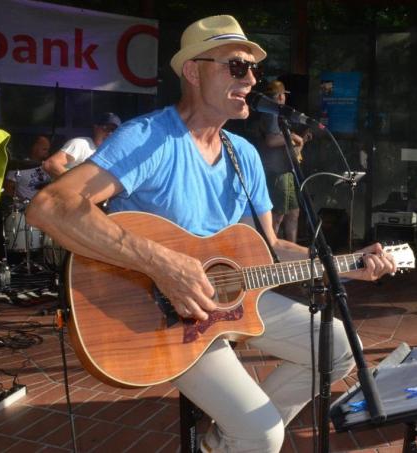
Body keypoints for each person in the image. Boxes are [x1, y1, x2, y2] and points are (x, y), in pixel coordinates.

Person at [27, 15, 396, 453]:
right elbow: (49, 207)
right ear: (193, 71)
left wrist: (346, 267)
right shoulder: (147, 139)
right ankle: (247, 436)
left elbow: (271, 247)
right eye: (237, 66)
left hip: (229, 301)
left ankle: (223, 442)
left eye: (254, 68)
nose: (252, 78)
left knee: (338, 348)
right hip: (157, 314)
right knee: (262, 434)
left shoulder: (244, 155)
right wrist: (162, 264)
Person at [256, 80, 308, 243]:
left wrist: (300, 141)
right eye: (283, 95)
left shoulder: (277, 114)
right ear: (280, 96)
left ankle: (291, 252)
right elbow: (271, 140)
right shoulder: (271, 113)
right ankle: (272, 253)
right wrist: (292, 136)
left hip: (285, 170)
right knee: (277, 215)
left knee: (293, 212)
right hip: (276, 172)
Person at [42, 112, 121, 178]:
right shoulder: (81, 144)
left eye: (114, 130)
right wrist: (76, 184)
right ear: (96, 128)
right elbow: (51, 164)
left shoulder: (113, 155)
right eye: (106, 128)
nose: (110, 133)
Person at [3, 135, 52, 203]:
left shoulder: (48, 165)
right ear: (34, 148)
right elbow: (8, 191)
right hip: (27, 209)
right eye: (44, 149)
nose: (47, 152)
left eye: (48, 149)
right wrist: (23, 202)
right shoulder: (18, 167)